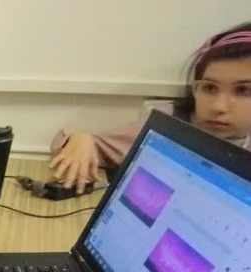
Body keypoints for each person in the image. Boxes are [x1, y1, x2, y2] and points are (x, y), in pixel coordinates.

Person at [49, 22, 251, 194]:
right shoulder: (169, 126)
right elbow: (83, 147)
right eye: (209, 88)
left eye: (243, 90)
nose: (218, 106)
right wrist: (82, 139)